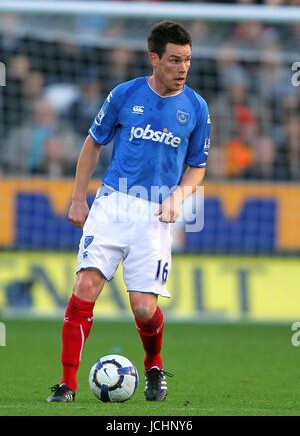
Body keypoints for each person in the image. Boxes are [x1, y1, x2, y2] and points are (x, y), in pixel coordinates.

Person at [47, 20, 211, 403]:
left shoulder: (197, 107)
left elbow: (198, 166)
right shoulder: (125, 94)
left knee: (142, 307)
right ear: (154, 58)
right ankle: (67, 384)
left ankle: (154, 364)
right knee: (86, 285)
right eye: (174, 60)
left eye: (187, 60)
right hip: (112, 202)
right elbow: (93, 143)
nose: (182, 68)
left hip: (156, 212)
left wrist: (179, 197)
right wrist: (77, 197)